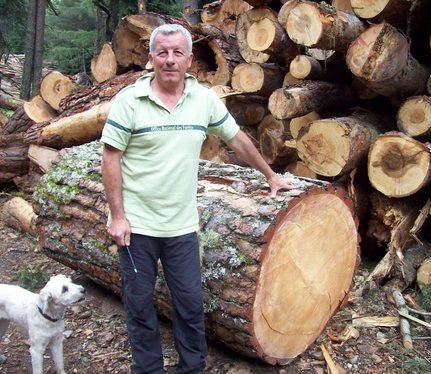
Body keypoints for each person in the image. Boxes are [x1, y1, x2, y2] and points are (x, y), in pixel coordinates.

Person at [100, 23, 295, 374]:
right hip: (137, 227)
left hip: (182, 227)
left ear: (189, 59)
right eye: (162, 53)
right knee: (139, 305)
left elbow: (237, 139)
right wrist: (117, 216)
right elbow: (110, 158)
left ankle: (191, 368)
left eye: (177, 53)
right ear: (151, 58)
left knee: (190, 304)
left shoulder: (203, 100)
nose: (169, 60)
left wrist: (270, 176)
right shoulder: (129, 102)